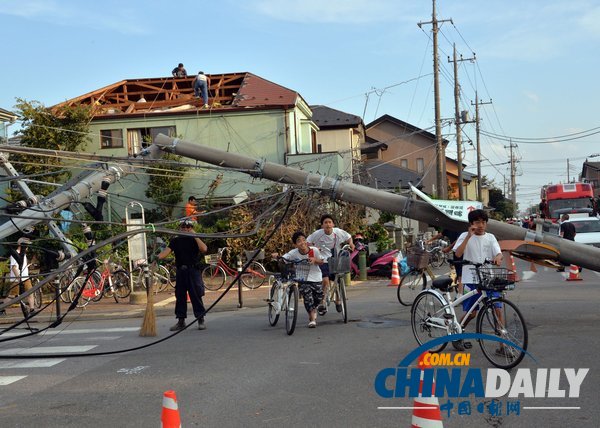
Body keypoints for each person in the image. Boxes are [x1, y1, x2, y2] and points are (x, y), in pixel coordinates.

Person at [452, 209, 503, 350]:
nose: (481, 225)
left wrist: (498, 257)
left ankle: (503, 345)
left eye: (483, 222)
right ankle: (457, 332)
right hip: (470, 279)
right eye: (477, 222)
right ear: (471, 224)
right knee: (472, 313)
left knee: (497, 309)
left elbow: (498, 252)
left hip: (488, 278)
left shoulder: (491, 237)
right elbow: (458, 253)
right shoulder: (464, 236)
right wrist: (469, 236)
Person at [157, 220, 208, 331]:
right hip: (181, 271)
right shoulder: (175, 241)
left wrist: (195, 235)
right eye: (183, 227)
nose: (185, 229)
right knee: (180, 296)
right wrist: (156, 258)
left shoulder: (195, 239)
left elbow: (204, 249)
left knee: (196, 295)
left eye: (188, 227)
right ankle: (181, 321)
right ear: (179, 228)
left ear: (191, 228)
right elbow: (166, 251)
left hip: (193, 270)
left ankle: (200, 319)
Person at [307, 214, 354, 316]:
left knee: (337, 280)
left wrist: (351, 244)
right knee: (325, 280)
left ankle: (338, 300)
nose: (328, 224)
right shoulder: (317, 234)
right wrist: (313, 249)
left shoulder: (338, 232)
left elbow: (349, 237)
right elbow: (307, 242)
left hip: (335, 258)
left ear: (333, 224)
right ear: (322, 225)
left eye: (329, 222)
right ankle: (322, 302)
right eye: (325, 223)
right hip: (322, 260)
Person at [283, 231, 325, 328]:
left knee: (318, 297)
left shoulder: (314, 250)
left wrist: (315, 260)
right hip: (302, 278)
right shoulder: (293, 253)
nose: (302, 242)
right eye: (299, 241)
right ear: (295, 244)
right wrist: (277, 257)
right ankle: (312, 318)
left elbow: (322, 261)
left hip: (316, 276)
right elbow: (284, 258)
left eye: (303, 240)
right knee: (307, 297)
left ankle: (313, 310)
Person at [9, 238, 35, 314]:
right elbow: (14, 268)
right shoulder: (15, 254)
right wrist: (19, 278)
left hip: (25, 278)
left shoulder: (23, 254)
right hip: (17, 280)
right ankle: (2, 308)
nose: (27, 247)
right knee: (12, 296)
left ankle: (32, 309)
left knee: (30, 293)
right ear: (21, 245)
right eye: (26, 245)